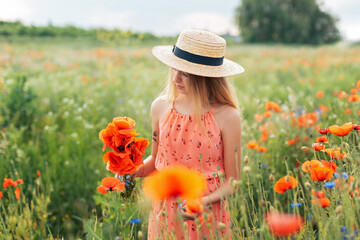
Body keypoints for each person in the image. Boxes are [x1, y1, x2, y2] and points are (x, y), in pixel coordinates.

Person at [134, 29, 244, 239]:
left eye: (185, 73)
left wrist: (202, 202)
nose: (176, 78)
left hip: (206, 213)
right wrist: (131, 171)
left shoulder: (227, 116)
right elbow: (156, 161)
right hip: (164, 209)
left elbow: (234, 182)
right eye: (175, 68)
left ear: (206, 78)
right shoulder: (160, 106)